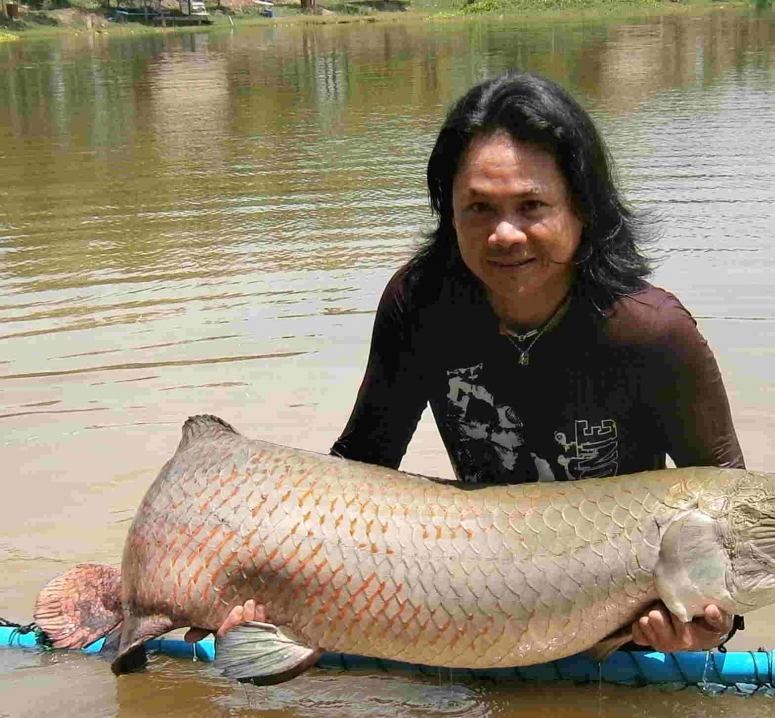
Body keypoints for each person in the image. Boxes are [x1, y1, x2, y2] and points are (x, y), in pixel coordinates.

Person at [194, 71, 745, 655]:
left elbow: (737, 519)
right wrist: (268, 593)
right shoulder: (421, 306)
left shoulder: (653, 333)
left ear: (582, 209)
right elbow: (357, 470)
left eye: (532, 205)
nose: (505, 234)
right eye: (478, 208)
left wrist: (714, 624)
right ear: (449, 213)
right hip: (477, 616)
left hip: (625, 627)